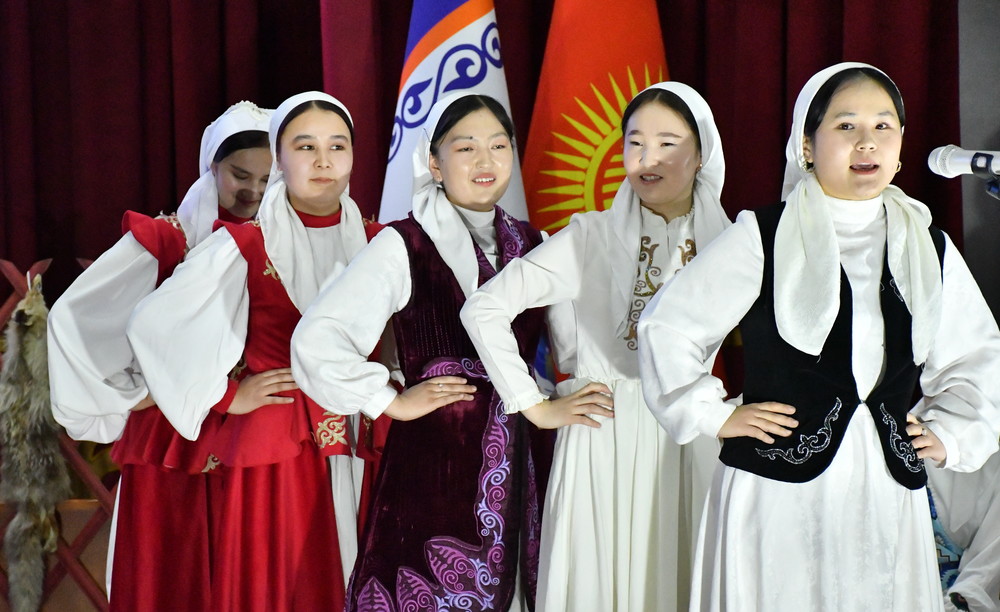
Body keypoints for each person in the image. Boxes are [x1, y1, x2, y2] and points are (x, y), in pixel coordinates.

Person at [637, 62, 1000, 612]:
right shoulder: (762, 234)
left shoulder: (928, 244)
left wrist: (954, 432)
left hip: (882, 488)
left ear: (901, 146)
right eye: (846, 125)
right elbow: (668, 326)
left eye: (883, 126)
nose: (866, 142)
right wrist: (712, 414)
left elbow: (977, 354)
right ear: (807, 145)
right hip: (776, 491)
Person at [459, 81, 728, 611]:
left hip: (690, 434)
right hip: (602, 434)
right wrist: (534, 406)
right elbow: (483, 308)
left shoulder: (733, 242)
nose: (648, 159)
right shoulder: (589, 237)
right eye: (636, 143)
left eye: (668, 143)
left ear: (702, 153)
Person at [126, 91, 381, 611]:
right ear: (280, 158)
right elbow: (155, 325)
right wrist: (224, 396)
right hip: (279, 454)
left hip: (360, 441)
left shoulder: (381, 242)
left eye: (337, 146)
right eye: (305, 146)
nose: (323, 161)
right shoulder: (243, 244)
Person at [291, 92, 546, 611]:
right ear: (434, 162)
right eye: (466, 147)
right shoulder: (404, 243)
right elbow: (317, 338)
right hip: (432, 467)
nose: (485, 160)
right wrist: (391, 401)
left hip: (523, 460)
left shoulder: (534, 243)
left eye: (498, 146)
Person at [48, 100, 271, 611]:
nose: (254, 191)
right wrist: (142, 393)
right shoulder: (169, 240)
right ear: (211, 166)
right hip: (170, 448)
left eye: (266, 179)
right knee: (170, 578)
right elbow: (72, 322)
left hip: (255, 443)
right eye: (240, 175)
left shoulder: (282, 242)